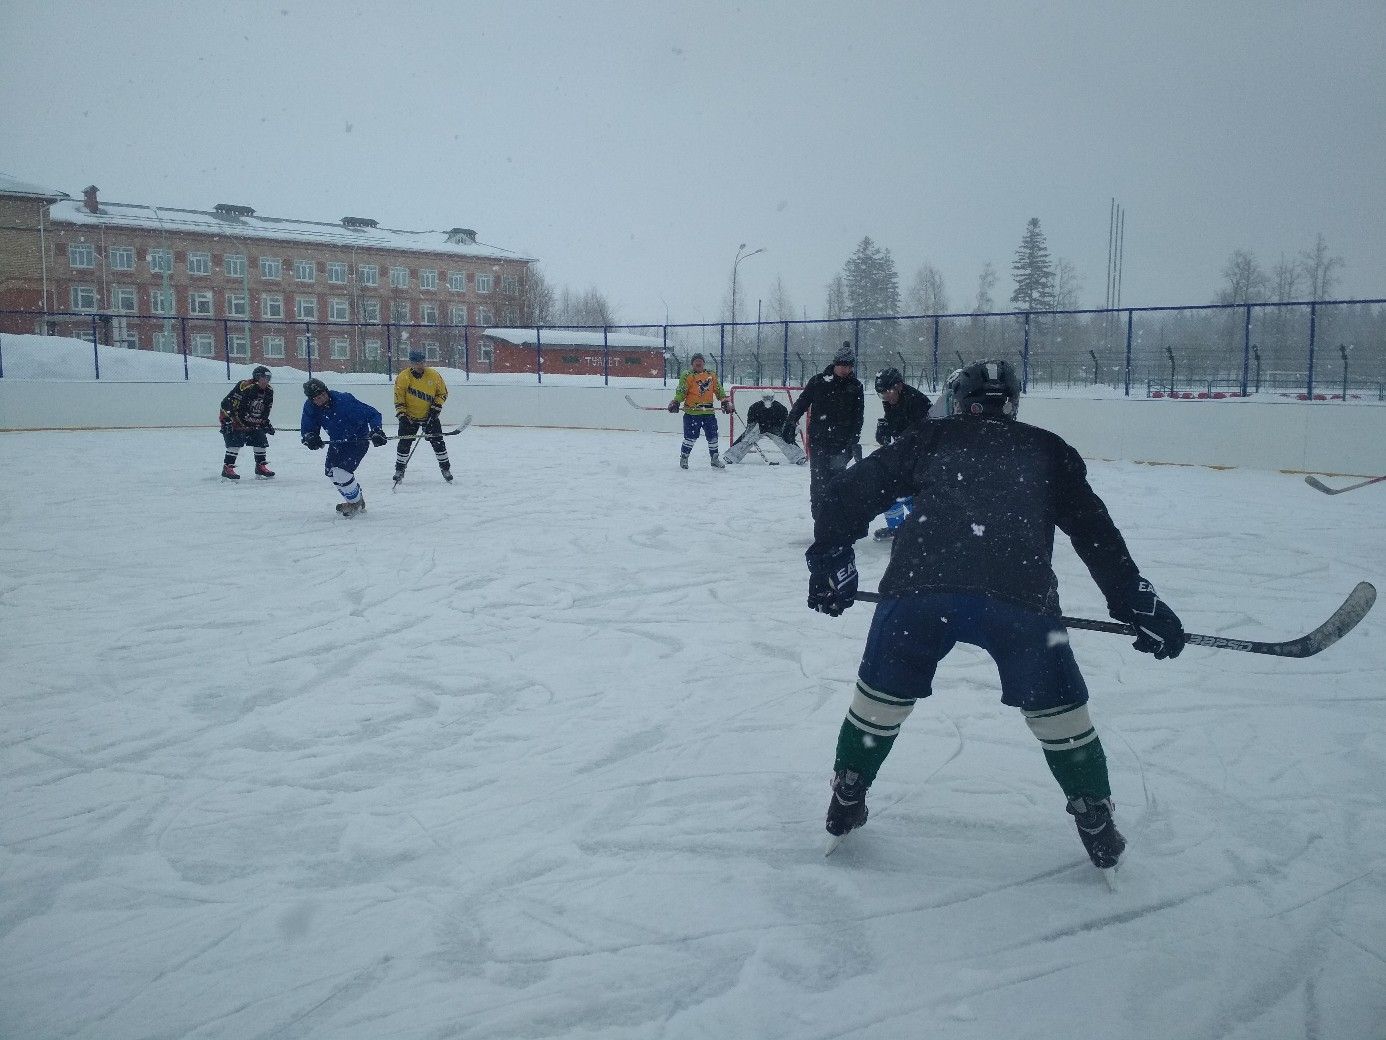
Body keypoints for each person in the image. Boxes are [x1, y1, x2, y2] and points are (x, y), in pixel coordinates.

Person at [804, 359, 1186, 874]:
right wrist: (1136, 599)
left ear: (960, 403)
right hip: (1018, 597)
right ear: (1013, 405)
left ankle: (848, 788)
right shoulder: (1048, 449)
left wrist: (831, 561)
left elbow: (845, 494)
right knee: (1061, 714)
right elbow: (1095, 533)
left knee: (880, 700)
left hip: (919, 591)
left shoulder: (929, 438)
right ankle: (1093, 811)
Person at [783, 342, 864, 520]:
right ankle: (819, 519)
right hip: (819, 441)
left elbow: (858, 416)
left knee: (838, 482)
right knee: (819, 483)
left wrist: (854, 439)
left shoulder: (855, 386)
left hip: (841, 443)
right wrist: (790, 421)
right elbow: (802, 402)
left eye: (849, 366)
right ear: (835, 364)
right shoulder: (818, 381)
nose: (845, 369)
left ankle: (836, 520)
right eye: (842, 365)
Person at [300, 377, 387, 517]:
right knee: (331, 473)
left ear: (326, 391)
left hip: (357, 440)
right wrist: (310, 437)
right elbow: (308, 425)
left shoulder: (344, 401)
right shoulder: (310, 407)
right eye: (316, 398)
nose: (321, 399)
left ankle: (355, 503)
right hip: (337, 442)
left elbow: (373, 414)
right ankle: (356, 500)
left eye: (322, 394)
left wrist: (376, 431)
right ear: (311, 399)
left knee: (342, 473)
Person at [870, 368, 933, 539]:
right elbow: (894, 428)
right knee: (889, 489)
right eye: (881, 395)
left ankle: (924, 526)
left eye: (887, 392)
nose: (885, 397)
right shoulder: (891, 400)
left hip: (923, 454)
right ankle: (896, 527)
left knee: (913, 492)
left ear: (898, 386)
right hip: (904, 452)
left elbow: (924, 433)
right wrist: (883, 433)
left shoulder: (917, 402)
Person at [393, 350, 452, 485]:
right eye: (416, 362)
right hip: (410, 417)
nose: (420, 365)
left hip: (429, 416)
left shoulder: (434, 375)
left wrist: (436, 408)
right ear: (411, 363)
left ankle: (445, 469)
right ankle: (399, 470)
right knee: (404, 444)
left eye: (421, 362)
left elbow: (442, 393)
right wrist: (402, 415)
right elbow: (398, 398)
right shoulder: (403, 377)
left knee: (438, 443)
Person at [668, 352, 732, 470]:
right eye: (696, 361)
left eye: (700, 361)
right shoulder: (687, 375)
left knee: (713, 437)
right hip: (692, 413)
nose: (698, 363)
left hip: (708, 413)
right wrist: (676, 401)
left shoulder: (711, 375)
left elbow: (719, 390)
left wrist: (725, 401)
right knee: (690, 438)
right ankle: (684, 457)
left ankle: (714, 459)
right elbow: (681, 391)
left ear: (703, 363)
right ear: (692, 364)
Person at [219, 365, 275, 479]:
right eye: (263, 377)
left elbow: (266, 409)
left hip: (251, 422)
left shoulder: (269, 391)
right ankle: (227, 468)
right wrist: (227, 420)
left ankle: (260, 466)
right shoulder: (245, 386)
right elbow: (227, 403)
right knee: (235, 442)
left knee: (261, 440)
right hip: (235, 420)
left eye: (268, 378)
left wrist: (265, 422)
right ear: (256, 378)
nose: (266, 380)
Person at [723, 391, 807, 465]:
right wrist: (749, 432)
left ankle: (798, 457)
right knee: (747, 439)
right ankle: (731, 456)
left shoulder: (780, 408)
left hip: (774, 428)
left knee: (784, 440)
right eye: (766, 397)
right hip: (759, 427)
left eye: (769, 397)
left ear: (773, 397)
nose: (768, 399)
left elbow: (784, 423)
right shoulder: (755, 407)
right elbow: (751, 422)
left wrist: (788, 433)